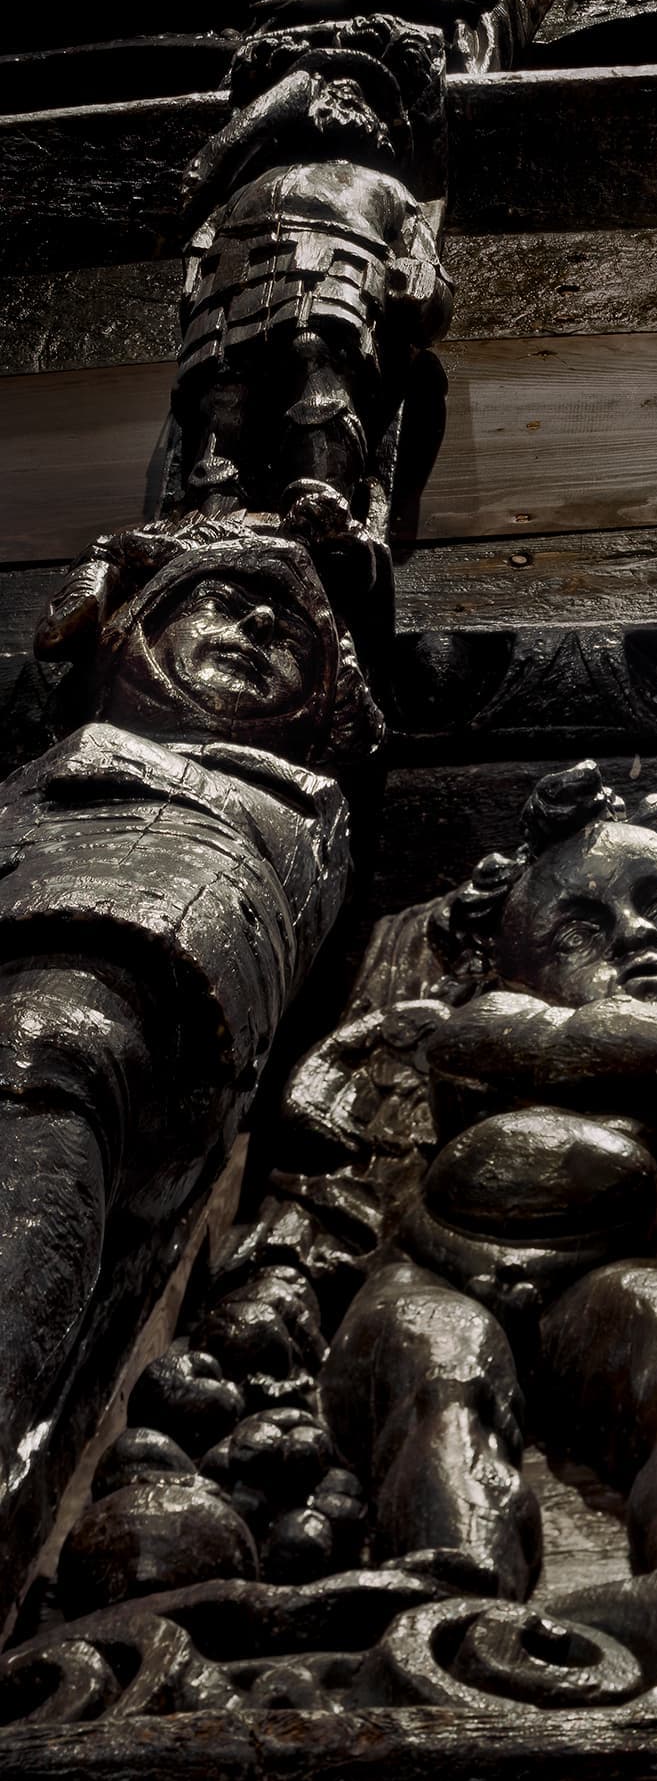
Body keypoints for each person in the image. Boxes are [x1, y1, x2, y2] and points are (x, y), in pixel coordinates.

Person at [321, 764, 657, 1593]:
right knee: (441, 1362)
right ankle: (455, 1581)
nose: (638, 938)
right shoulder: (487, 1028)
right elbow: (576, 1044)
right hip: (435, 1276)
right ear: (507, 969)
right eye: (581, 935)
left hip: (601, 1291)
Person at [0, 515, 370, 1578]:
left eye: (286, 630)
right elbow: (56, 645)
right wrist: (119, 562)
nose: (254, 628)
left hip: (111, 996)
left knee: (53, 1050)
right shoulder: (49, 750)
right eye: (222, 598)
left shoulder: (294, 802)